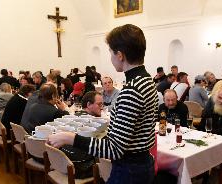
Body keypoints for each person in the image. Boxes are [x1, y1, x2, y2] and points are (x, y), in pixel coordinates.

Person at [48, 24, 157, 184]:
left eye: (111, 53)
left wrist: (70, 138)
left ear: (120, 55)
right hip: (141, 163)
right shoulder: (147, 80)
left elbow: (114, 149)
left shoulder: (132, 90)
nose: (111, 58)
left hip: (129, 169)